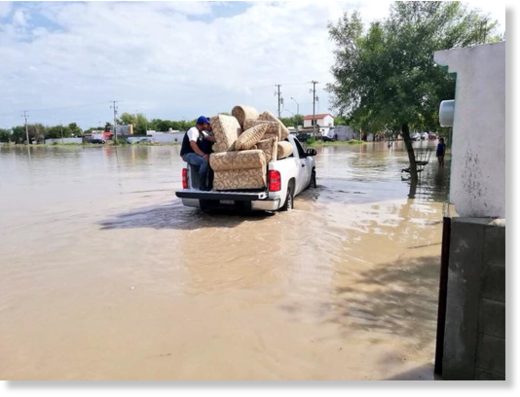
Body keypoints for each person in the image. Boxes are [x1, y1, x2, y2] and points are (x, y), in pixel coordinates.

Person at [180, 116, 215, 190]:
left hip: (194, 154)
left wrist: (220, 138)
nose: (208, 126)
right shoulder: (193, 130)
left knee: (207, 159)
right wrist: (203, 155)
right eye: (207, 124)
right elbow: (193, 144)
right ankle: (202, 185)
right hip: (187, 154)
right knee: (203, 161)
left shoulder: (202, 132)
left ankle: (208, 185)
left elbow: (210, 138)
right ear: (203, 124)